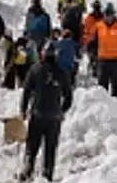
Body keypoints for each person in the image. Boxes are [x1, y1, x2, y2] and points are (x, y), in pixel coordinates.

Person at [19, 42, 73, 182]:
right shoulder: (61, 72)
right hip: (54, 118)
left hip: (37, 115)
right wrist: (62, 110)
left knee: (32, 147)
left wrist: (23, 110)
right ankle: (47, 175)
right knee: (50, 150)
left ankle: (28, 171)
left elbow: (26, 91)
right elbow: (69, 96)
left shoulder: (35, 69)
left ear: (42, 54)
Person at [85, 2, 117, 99]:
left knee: (116, 88)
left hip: (116, 61)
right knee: (102, 89)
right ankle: (102, 107)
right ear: (104, 15)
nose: (109, 17)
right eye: (107, 14)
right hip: (103, 61)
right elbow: (92, 43)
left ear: (114, 14)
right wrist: (92, 56)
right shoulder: (98, 26)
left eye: (111, 14)